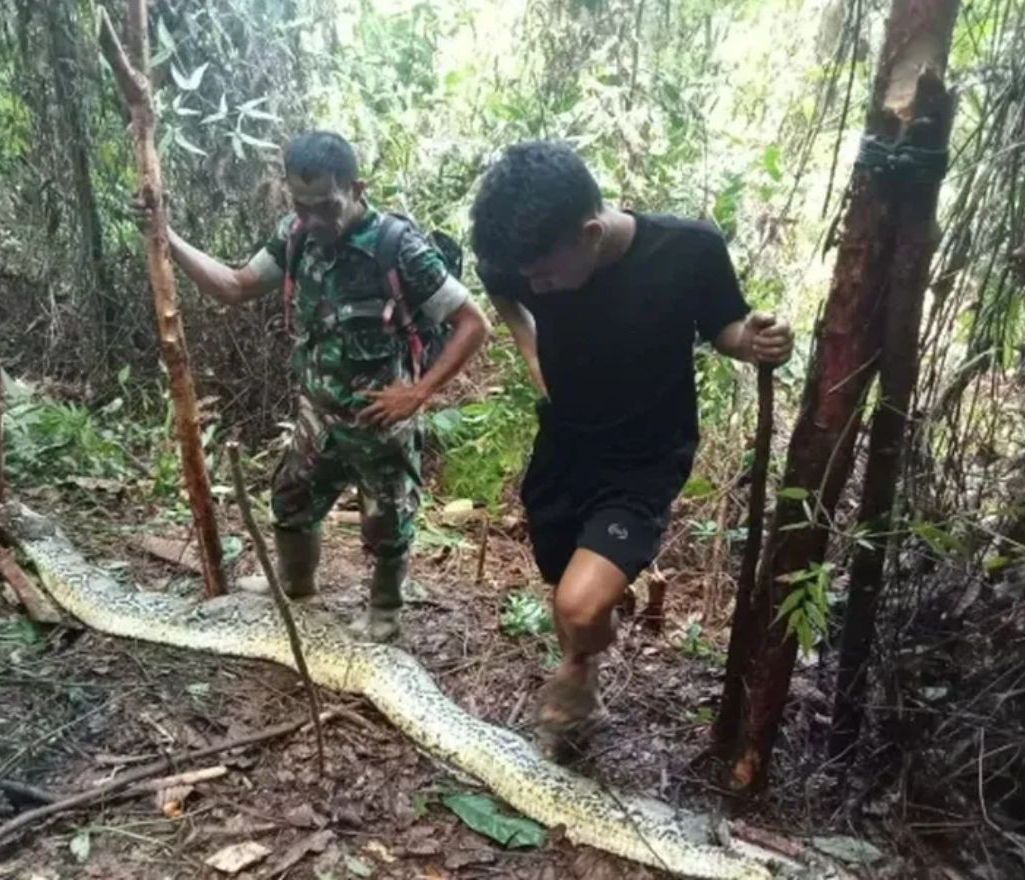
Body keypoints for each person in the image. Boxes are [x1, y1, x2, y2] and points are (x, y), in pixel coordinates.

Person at [470, 140, 794, 741]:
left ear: (590, 233)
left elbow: (725, 325)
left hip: (643, 456)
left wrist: (755, 342)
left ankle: (578, 668)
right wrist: (528, 345)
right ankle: (584, 657)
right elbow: (502, 286)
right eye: (528, 277)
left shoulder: (688, 250)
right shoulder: (523, 259)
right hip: (563, 445)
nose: (534, 286)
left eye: (543, 274)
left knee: (580, 608)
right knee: (562, 581)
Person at [136, 131, 490, 641]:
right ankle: (296, 587)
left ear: (356, 187)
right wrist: (165, 236)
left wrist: (418, 393)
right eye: (303, 206)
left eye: (327, 206)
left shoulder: (398, 247)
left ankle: (385, 611)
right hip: (317, 414)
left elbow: (472, 323)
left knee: (386, 523)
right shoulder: (296, 234)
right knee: (291, 500)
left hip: (379, 420)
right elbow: (234, 286)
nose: (316, 220)